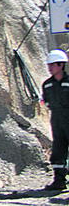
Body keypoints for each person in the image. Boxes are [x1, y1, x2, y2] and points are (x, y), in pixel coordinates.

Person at [41, 49, 69, 190]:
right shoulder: (47, 84)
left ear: (61, 65)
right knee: (58, 149)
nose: (50, 68)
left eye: (52, 65)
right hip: (57, 121)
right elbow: (46, 102)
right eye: (49, 65)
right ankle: (59, 180)